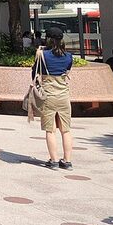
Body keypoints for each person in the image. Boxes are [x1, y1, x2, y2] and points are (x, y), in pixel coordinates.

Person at [32, 26, 74, 169]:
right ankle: (67, 161)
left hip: (48, 95)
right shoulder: (69, 56)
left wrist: (39, 52)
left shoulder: (42, 55)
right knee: (65, 130)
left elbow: (34, 73)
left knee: (50, 130)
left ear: (48, 39)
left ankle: (54, 160)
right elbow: (67, 71)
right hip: (63, 95)